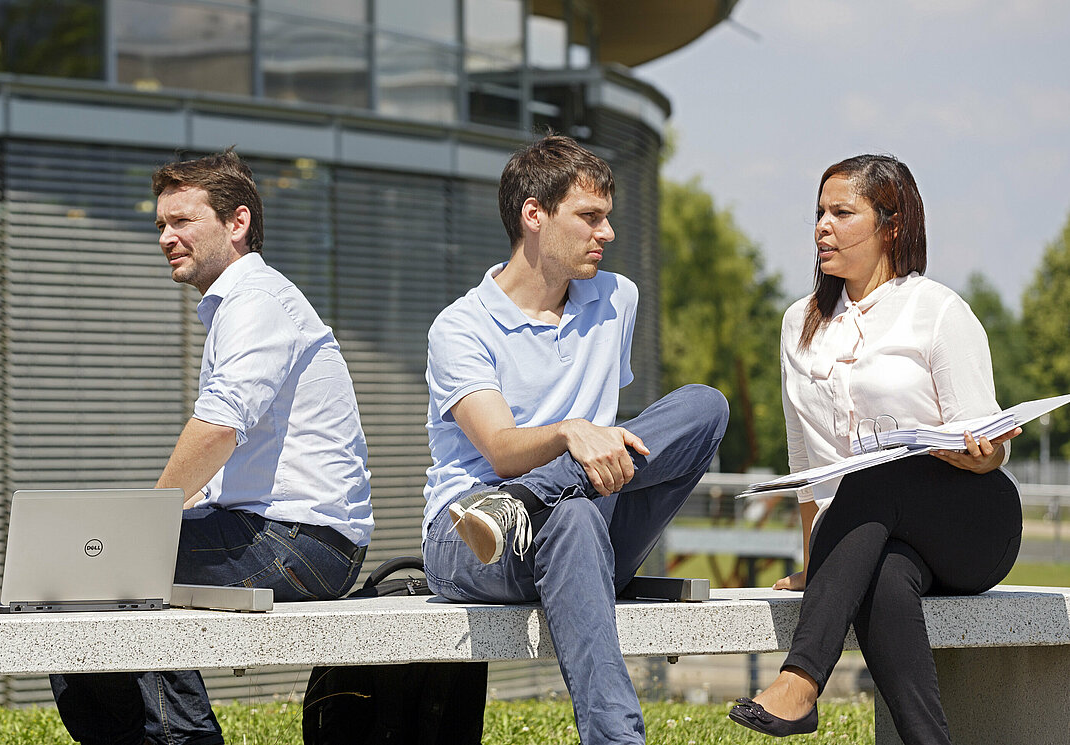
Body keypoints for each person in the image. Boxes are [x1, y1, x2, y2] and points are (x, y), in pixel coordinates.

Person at [49, 149, 373, 745]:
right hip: (282, 534)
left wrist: (146, 521)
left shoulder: (256, 303)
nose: (167, 237)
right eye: (161, 226)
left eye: (182, 222)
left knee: (96, 567)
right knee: (85, 568)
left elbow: (219, 427)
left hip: (300, 544)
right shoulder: (241, 304)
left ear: (237, 222)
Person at [422, 134, 728, 745]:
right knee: (574, 519)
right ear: (533, 215)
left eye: (607, 217)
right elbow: (502, 450)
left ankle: (527, 503)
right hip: (472, 536)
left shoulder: (618, 299)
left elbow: (637, 441)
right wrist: (569, 432)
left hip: (580, 517)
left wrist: (580, 458)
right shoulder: (460, 327)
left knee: (705, 406)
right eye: (589, 217)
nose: (607, 233)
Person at [728, 155, 1021, 743]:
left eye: (842, 212)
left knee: (876, 469)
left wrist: (981, 451)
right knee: (883, 579)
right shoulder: (799, 324)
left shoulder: (939, 312)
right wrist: (821, 565)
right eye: (818, 213)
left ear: (891, 225)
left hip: (971, 523)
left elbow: (989, 454)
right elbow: (808, 463)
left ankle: (802, 679)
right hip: (878, 539)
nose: (822, 228)